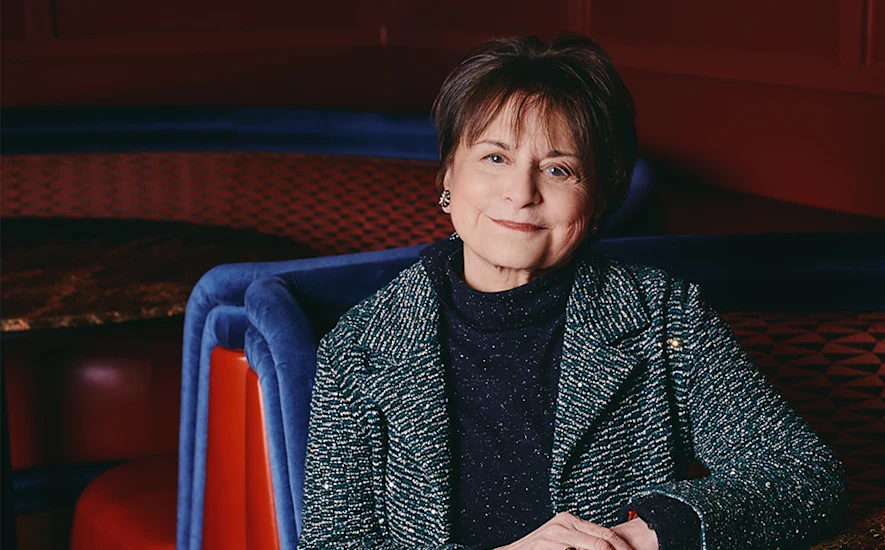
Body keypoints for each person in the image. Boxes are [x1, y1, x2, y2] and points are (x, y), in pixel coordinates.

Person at [298, 34, 848, 550]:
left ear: (598, 200)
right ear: (448, 177)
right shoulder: (359, 346)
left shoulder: (664, 317)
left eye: (559, 170)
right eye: (495, 158)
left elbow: (803, 477)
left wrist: (638, 537)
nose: (521, 193)